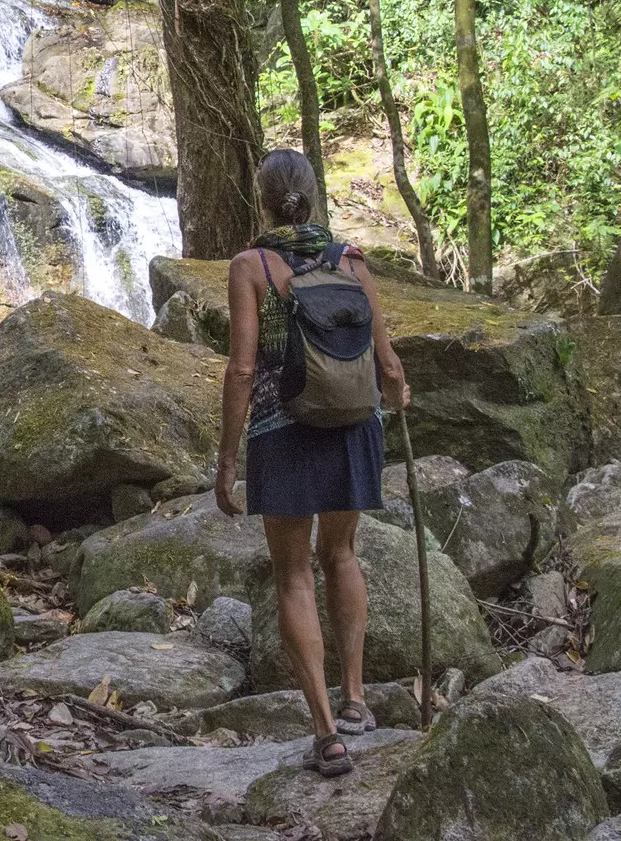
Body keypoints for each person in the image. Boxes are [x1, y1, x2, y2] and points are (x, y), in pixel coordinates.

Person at [214, 149, 409, 777]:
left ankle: (326, 733)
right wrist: (395, 397)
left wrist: (226, 462)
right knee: (342, 554)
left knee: (294, 574)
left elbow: (244, 368)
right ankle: (356, 700)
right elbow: (389, 363)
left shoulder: (253, 266)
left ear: (263, 200)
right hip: (354, 427)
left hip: (285, 430)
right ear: (313, 195)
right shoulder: (351, 260)